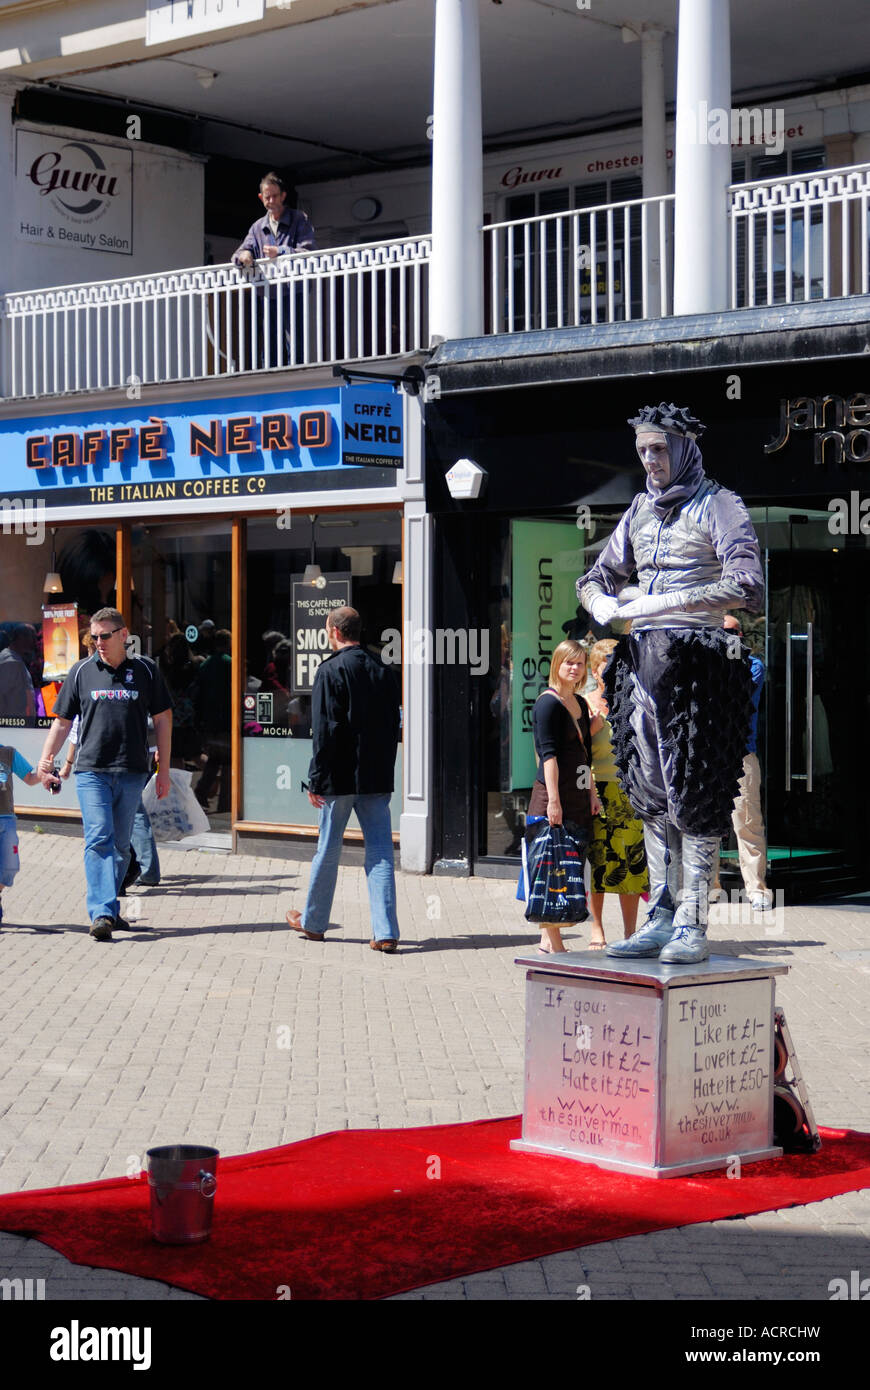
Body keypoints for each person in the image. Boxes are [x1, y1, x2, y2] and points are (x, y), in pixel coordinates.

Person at [577, 402, 763, 964]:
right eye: (642, 451)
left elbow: (747, 583)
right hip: (643, 661)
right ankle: (661, 913)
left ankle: (693, 921)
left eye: (659, 449)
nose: (650, 460)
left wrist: (664, 600)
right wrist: (604, 603)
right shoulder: (637, 511)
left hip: (698, 659)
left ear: (683, 447)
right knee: (651, 793)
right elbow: (595, 576)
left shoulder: (719, 504)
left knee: (697, 792)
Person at [36, 608, 172, 942]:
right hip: (91, 771)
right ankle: (100, 913)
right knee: (99, 838)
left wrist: (164, 769)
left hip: (132, 771)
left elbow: (164, 719)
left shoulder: (146, 671)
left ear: (124, 635)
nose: (98, 642)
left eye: (105, 636)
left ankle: (109, 909)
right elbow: (63, 721)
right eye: (94, 637)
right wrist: (46, 759)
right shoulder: (81, 671)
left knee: (122, 847)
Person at [285, 606, 401, 953]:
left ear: (332, 631)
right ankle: (385, 931)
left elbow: (325, 730)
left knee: (328, 848)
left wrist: (316, 779)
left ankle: (315, 923)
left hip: (339, 777)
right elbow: (392, 725)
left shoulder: (330, 670)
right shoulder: (384, 669)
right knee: (380, 851)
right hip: (375, 775)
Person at [520, 639, 602, 954]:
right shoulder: (547, 703)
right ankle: (556, 947)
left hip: (579, 798)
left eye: (580, 663)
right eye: (569, 662)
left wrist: (592, 793)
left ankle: (547, 941)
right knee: (551, 867)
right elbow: (548, 756)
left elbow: (586, 756)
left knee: (569, 867)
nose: (574, 668)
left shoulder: (580, 703)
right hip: (551, 799)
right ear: (557, 664)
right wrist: (553, 801)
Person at [584, 638, 649, 947]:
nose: (611, 669)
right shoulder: (585, 703)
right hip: (598, 791)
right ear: (595, 671)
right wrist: (590, 729)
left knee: (631, 864)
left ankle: (630, 932)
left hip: (630, 790)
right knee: (599, 863)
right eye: (605, 664)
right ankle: (596, 928)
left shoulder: (633, 700)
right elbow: (575, 752)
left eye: (617, 663)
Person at [711, 614, 773, 912]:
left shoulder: (753, 665)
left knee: (746, 822)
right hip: (708, 753)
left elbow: (732, 694)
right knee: (705, 823)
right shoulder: (705, 664)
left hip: (740, 753)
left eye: (733, 633)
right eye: (721, 633)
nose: (727, 638)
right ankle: (709, 886)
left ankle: (757, 889)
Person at [233, 172, 316, 368]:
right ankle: (273, 374)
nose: (272, 201)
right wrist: (243, 255)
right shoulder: (258, 227)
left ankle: (298, 373)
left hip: (293, 290)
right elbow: (241, 251)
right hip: (269, 292)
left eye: (275, 196)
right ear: (261, 198)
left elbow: (309, 251)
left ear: (283, 196)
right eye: (267, 197)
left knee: (295, 339)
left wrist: (281, 251)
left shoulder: (298, 219)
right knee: (271, 340)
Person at [0, 742, 46, 927]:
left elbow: (30, 778)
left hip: (7, 819)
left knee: (11, 867)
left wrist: (43, 774)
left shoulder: (8, 753)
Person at [0, 624, 37, 718]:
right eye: (32, 638)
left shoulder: (14, 661)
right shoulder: (11, 663)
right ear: (21, 638)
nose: (34, 642)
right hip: (15, 726)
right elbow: (9, 700)